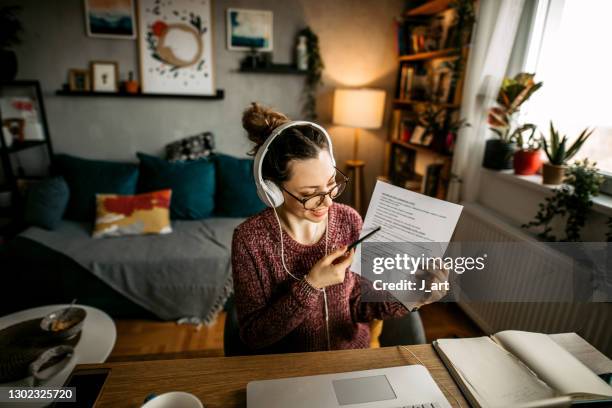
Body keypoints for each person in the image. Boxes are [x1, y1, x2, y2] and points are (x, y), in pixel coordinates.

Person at [231, 102, 447, 354]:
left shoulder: (349, 220)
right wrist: (310, 285)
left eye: (332, 183)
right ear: (274, 192)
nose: (328, 201)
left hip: (351, 359)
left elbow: (361, 306)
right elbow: (254, 336)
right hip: (286, 369)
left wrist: (415, 295)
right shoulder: (250, 240)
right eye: (310, 194)